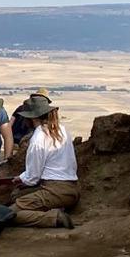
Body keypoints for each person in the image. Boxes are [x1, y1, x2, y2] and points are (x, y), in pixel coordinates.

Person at [9, 94, 79, 228]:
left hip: (54, 190)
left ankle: (54, 218)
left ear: (33, 117)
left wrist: (20, 178)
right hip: (72, 189)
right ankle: (56, 209)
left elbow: (33, 177)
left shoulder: (38, 139)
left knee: (8, 214)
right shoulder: (62, 130)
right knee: (17, 197)